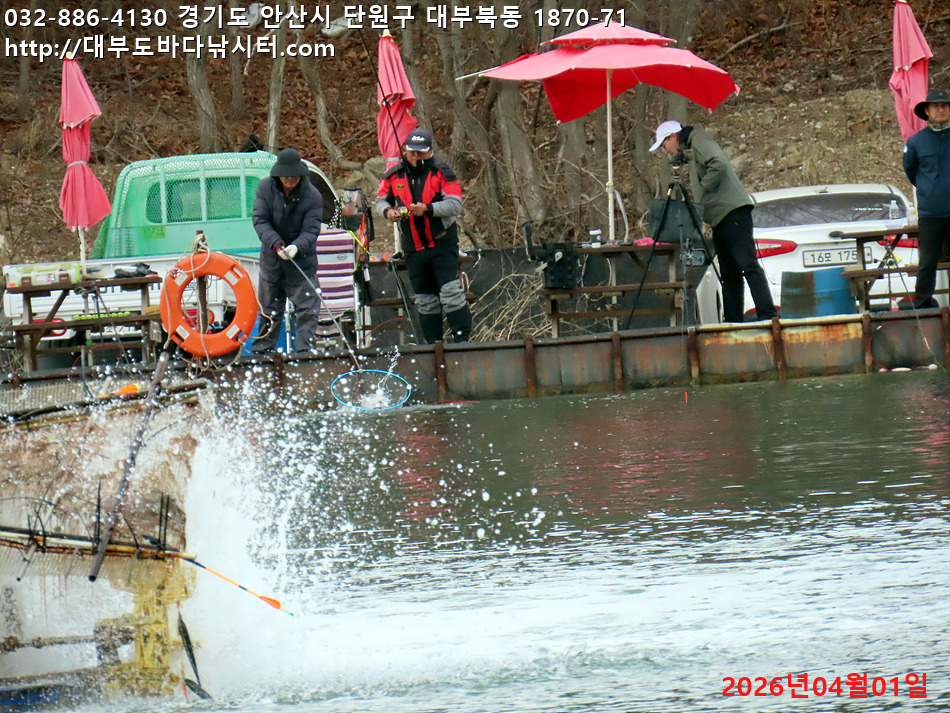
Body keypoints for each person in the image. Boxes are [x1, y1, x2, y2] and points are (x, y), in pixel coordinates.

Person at [650, 120, 777, 322]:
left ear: (673, 136)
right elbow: (700, 158)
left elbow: (718, 163)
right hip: (720, 216)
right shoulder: (694, 146)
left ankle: (768, 315)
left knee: (748, 265)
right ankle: (733, 321)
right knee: (729, 273)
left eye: (664, 145)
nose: (665, 150)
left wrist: (704, 186)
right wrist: (685, 158)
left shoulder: (699, 140)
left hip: (732, 212)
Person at [376, 128, 472, 343]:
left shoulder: (441, 172)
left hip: (442, 243)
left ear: (430, 152)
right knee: (425, 300)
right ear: (405, 151)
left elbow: (455, 204)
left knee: (450, 293)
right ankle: (432, 344)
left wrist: (428, 209)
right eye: (412, 152)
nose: (416, 156)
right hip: (413, 247)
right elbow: (381, 200)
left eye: (421, 152)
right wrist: (388, 212)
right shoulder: (395, 175)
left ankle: (462, 340)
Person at [252, 147, 323, 352]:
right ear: (278, 174)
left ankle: (305, 354)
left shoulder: (312, 195)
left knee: (307, 310)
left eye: (294, 176)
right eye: (286, 176)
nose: (290, 179)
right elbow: (260, 220)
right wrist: (276, 243)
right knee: (269, 312)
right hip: (272, 262)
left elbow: (311, 230)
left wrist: (295, 247)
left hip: (302, 262)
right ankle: (262, 353)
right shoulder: (265, 188)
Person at [903, 89, 950, 310]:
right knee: (927, 262)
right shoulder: (916, 142)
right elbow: (911, 171)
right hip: (931, 213)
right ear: (927, 111)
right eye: (936, 106)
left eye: (945, 105)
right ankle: (922, 306)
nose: (941, 109)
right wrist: (929, 188)